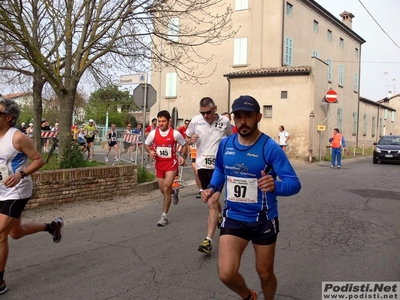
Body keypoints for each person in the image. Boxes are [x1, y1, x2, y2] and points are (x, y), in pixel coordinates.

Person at [202, 95, 301, 300]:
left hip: (263, 220)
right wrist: (213, 187)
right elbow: (221, 169)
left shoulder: (269, 147)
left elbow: (294, 183)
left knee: (264, 274)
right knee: (226, 274)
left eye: (248, 116)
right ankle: (249, 296)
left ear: (258, 117)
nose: (243, 121)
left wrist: (276, 186)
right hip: (234, 217)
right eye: (238, 116)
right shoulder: (225, 144)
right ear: (232, 118)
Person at [0, 97, 64, 295]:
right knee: (16, 233)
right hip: (1, 190)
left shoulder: (17, 137)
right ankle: (52, 226)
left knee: (0, 234)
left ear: (8, 117)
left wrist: (21, 174)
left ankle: (0, 282)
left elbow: (39, 160)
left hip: (16, 191)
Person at [185, 97, 232, 254]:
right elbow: (187, 137)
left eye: (208, 112)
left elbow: (230, 138)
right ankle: (219, 215)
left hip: (219, 167)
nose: (206, 116)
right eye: (202, 113)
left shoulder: (225, 122)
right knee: (212, 200)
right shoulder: (195, 121)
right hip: (203, 166)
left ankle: (208, 241)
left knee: (211, 201)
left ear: (215, 109)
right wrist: (190, 140)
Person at [144, 110, 187, 226]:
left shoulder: (175, 134)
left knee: (167, 186)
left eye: (163, 121)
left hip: (171, 163)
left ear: (169, 121)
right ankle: (175, 191)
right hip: (159, 164)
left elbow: (184, 145)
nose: (161, 123)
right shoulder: (153, 133)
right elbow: (146, 145)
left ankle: (164, 216)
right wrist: (150, 151)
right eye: (159, 121)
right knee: (163, 190)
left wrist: (182, 156)